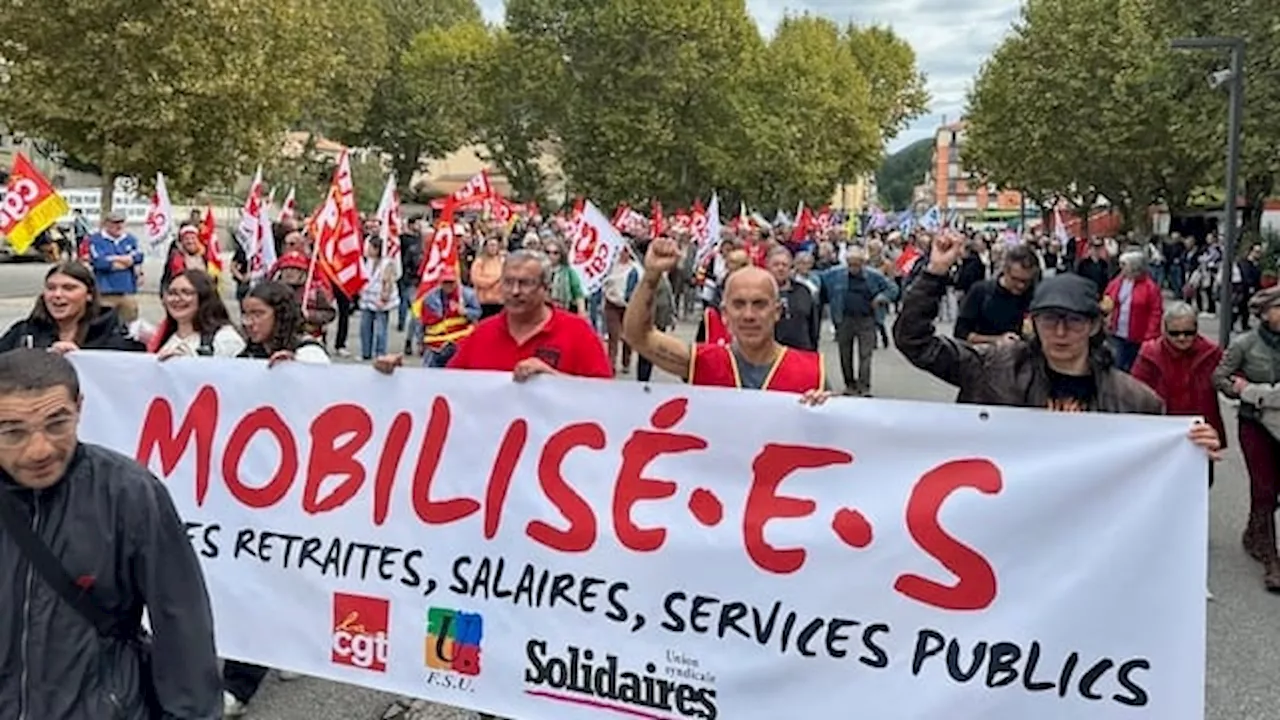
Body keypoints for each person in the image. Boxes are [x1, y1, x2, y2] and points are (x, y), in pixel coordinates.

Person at [0, 348, 221, 719]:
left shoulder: (129, 491)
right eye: (12, 432)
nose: (38, 449)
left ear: (80, 408)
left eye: (57, 424)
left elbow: (181, 620)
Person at [893, 230, 1222, 459]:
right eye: (1050, 320)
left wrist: (1192, 450)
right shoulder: (994, 369)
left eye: (1074, 321)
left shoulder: (1134, 400)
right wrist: (935, 271)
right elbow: (916, 342)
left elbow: (1158, 469)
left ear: (1094, 325)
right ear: (1033, 323)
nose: (1061, 333)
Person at [623, 237, 830, 404]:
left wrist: (828, 409)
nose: (749, 315)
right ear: (724, 313)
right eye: (738, 304)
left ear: (776, 311)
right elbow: (638, 336)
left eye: (759, 304)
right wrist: (652, 275)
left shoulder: (812, 373)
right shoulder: (703, 362)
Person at [375, 250, 611, 381]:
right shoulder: (482, 333)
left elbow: (603, 398)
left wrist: (553, 379)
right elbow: (447, 388)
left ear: (545, 288)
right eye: (508, 282)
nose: (515, 291)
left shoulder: (578, 333)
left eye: (525, 283)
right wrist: (398, 378)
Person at [1213, 286, 1280, 591]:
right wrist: (1241, 391)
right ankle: (1271, 558)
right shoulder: (1245, 344)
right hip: (1256, 424)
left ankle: (1254, 532)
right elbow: (1220, 377)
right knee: (1264, 486)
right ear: (1264, 313)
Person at [1130, 302, 1226, 485]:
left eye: (1188, 332)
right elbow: (1135, 390)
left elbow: (1228, 379)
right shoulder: (1150, 353)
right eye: (1175, 333)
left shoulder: (1211, 352)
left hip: (1200, 432)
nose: (1182, 338)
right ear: (1164, 330)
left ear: (1196, 329)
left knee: (1201, 483)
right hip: (1162, 432)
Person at [0, 262, 143, 353]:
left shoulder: (115, 336)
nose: (57, 294)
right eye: (51, 288)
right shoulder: (22, 332)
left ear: (89, 295)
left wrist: (81, 361)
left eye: (69, 288)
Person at [819, 246, 898, 397]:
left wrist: (882, 297)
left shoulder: (874, 276)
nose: (853, 268)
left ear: (863, 263)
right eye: (850, 264)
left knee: (865, 355)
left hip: (866, 319)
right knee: (845, 354)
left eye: (857, 264)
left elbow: (893, 288)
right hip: (844, 319)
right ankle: (850, 385)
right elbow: (819, 280)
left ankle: (864, 386)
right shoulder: (836, 274)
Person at [147, 269, 247, 358]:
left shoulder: (225, 338)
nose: (177, 299)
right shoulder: (161, 338)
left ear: (203, 297)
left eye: (186, 292)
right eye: (172, 293)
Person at [953, 244, 1037, 346]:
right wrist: (996, 340)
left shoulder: (1036, 295)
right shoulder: (981, 292)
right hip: (986, 357)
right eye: (1015, 279)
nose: (1021, 286)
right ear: (1005, 271)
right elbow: (961, 333)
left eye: (1026, 281)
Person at [1102, 251, 1163, 372]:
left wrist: (1150, 335)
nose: (1121, 267)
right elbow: (1107, 299)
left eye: (1125, 265)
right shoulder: (1117, 282)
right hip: (1117, 332)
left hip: (1138, 336)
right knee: (1117, 365)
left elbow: (1156, 313)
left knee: (1135, 367)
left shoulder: (1150, 287)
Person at [87, 210, 144, 323]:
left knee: (130, 323)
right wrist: (125, 260)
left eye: (121, 222)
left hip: (127, 290)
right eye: (115, 222)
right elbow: (99, 262)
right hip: (105, 291)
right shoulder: (96, 239)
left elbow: (138, 257)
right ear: (107, 223)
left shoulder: (130, 239)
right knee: (102, 324)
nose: (119, 225)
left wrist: (113, 258)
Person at [419, 266, 481, 368]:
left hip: (460, 342)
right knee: (430, 375)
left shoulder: (467, 295)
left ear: (456, 281)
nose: (448, 285)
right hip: (436, 344)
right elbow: (423, 322)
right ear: (440, 282)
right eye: (445, 282)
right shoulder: (429, 298)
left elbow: (478, 313)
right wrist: (420, 342)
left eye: (451, 282)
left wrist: (465, 312)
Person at [768, 247, 820, 352]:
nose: (780, 268)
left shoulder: (803, 291)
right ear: (768, 266)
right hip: (770, 353)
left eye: (784, 265)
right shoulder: (761, 292)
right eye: (776, 265)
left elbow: (813, 325)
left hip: (800, 351)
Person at [358, 237, 402, 361]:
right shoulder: (367, 261)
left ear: (377, 249)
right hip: (367, 299)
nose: (367, 250)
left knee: (381, 329)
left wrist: (385, 296)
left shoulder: (387, 263)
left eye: (370, 247)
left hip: (381, 300)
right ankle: (366, 353)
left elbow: (389, 281)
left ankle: (380, 353)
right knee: (365, 327)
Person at [470, 236, 506, 320]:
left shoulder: (501, 261)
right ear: (486, 247)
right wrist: (495, 279)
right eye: (491, 245)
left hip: (499, 301)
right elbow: (477, 280)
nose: (493, 248)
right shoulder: (479, 262)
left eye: (495, 245)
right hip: (484, 301)